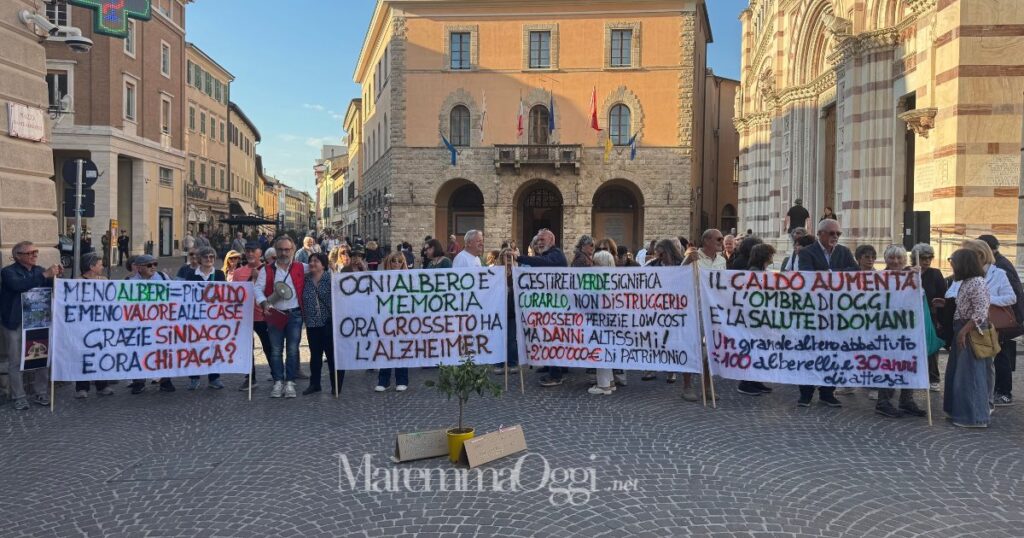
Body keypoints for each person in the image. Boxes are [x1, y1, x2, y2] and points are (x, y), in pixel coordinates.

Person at [795, 219, 856, 408]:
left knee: (833, 352)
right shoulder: (806, 252)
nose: (835, 237)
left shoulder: (844, 252)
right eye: (832, 234)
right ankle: (806, 393)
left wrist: (829, 272)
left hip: (836, 313)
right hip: (813, 312)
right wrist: (837, 275)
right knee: (810, 352)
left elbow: (854, 271)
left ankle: (827, 392)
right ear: (820, 234)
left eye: (838, 234)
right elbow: (807, 276)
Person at [954, 239, 1017, 407]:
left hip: (988, 325)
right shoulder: (966, 274)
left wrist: (985, 299)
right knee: (974, 365)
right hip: (969, 321)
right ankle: (978, 401)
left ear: (979, 256)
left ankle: (987, 401)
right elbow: (952, 291)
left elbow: (1012, 297)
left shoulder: (999, 273)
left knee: (987, 364)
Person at [1, 242, 61, 410]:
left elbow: (51, 289)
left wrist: (56, 277)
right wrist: (45, 275)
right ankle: (18, 396)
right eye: (30, 253)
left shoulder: (38, 270)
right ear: (18, 256)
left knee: (40, 357)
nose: (35, 255)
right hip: (15, 322)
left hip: (37, 321)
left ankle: (41, 392)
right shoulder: (8, 272)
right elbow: (19, 286)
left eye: (36, 252)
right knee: (15, 360)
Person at [872, 245, 927, 418]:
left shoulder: (911, 276)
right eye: (892, 258)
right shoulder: (878, 278)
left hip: (908, 329)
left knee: (909, 363)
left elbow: (921, 297)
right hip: (887, 330)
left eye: (899, 258)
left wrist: (917, 279)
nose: (896, 261)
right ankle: (884, 401)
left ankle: (906, 400)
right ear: (886, 260)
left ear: (905, 260)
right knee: (889, 365)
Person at [943, 248, 993, 428]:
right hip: (963, 327)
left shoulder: (977, 283)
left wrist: (964, 331)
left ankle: (974, 417)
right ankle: (959, 412)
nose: (952, 266)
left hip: (971, 330)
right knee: (958, 373)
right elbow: (966, 305)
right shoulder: (967, 282)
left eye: (953, 262)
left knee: (970, 375)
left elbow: (980, 312)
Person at [255, 236, 307, 399]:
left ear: (293, 250)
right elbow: (257, 289)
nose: (284, 253)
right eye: (281, 249)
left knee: (292, 350)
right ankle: (278, 381)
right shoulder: (267, 269)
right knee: (276, 351)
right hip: (275, 315)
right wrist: (264, 303)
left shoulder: (301, 267)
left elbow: (320, 269)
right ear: (275, 251)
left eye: (287, 249)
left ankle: (290, 382)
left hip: (295, 314)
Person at [516, 229, 569, 387]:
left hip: (556, 306)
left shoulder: (556, 254)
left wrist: (519, 257)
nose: (539, 242)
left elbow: (546, 264)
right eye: (537, 240)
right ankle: (554, 365)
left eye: (542, 239)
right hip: (549, 305)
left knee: (553, 338)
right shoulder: (546, 255)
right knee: (549, 337)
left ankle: (556, 375)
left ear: (552, 240)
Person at [678, 229, 727, 401]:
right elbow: (678, 276)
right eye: (718, 239)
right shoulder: (694, 257)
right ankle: (687, 386)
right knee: (693, 347)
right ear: (706, 241)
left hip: (714, 310)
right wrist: (686, 261)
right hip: (695, 309)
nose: (721, 241)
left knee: (711, 350)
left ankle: (707, 386)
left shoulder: (722, 260)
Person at [978, 235, 1024, 406]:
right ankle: (999, 390)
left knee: (1001, 353)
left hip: (1005, 319)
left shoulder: (1001, 265)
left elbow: (1014, 294)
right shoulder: (996, 262)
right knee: (998, 353)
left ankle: (1004, 393)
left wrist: (1016, 318)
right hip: (999, 318)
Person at [125, 255, 174, 394]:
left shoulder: (163, 277)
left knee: (163, 351)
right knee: (137, 351)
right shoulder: (129, 281)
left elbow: (175, 293)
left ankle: (165, 380)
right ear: (139, 267)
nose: (153, 267)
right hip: (138, 324)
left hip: (161, 323)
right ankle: (139, 382)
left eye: (155, 264)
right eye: (149, 265)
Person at [641, 240, 685, 384]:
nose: (659, 256)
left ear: (669, 251)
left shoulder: (680, 264)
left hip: (674, 309)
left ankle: (671, 371)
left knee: (672, 339)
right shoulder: (652, 265)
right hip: (655, 308)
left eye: (662, 253)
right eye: (657, 253)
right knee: (653, 338)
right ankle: (651, 368)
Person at [735, 244, 776, 396]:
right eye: (770, 254)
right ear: (764, 256)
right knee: (752, 350)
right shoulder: (754, 273)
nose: (772, 257)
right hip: (753, 319)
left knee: (758, 350)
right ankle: (745, 383)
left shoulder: (761, 272)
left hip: (760, 318)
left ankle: (755, 380)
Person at [72, 253, 114, 399]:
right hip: (83, 326)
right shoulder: (77, 282)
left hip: (101, 325)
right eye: (100, 264)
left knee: (101, 355)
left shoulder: (104, 280)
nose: (102, 267)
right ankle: (81, 388)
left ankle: (102, 385)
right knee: (84, 356)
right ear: (91, 266)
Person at [185, 246, 227, 390]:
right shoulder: (191, 275)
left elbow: (226, 295)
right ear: (199, 259)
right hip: (196, 318)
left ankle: (214, 378)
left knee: (214, 348)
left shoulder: (220, 274)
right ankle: (194, 378)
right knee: (195, 348)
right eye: (206, 257)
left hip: (214, 319)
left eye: (211, 257)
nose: (209, 259)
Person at [233, 241, 272, 391]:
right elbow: (234, 295)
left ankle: (276, 375)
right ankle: (250, 377)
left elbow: (272, 292)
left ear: (259, 253)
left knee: (269, 347)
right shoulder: (238, 272)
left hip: (262, 316)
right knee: (247, 348)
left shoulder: (268, 270)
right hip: (245, 317)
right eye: (247, 250)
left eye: (253, 251)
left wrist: (258, 279)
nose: (249, 253)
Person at [302, 252, 341, 396]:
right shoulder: (306, 280)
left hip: (328, 322)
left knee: (331, 355)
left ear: (323, 265)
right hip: (312, 323)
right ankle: (315, 383)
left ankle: (335, 384)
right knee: (315, 356)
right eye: (311, 261)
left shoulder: (331, 279)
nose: (312, 263)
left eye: (316, 261)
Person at [911, 243, 947, 392]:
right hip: (912, 316)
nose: (927, 261)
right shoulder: (909, 272)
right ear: (915, 258)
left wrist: (939, 316)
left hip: (931, 316)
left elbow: (943, 294)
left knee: (931, 347)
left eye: (929, 258)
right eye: (923, 258)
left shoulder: (935, 273)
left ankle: (933, 377)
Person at [588, 250, 624, 395]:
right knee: (607, 350)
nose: (592, 265)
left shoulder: (599, 280)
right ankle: (609, 381)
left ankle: (603, 385)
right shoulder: (614, 278)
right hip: (611, 321)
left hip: (601, 321)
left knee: (600, 350)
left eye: (595, 263)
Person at [375, 253, 411, 392]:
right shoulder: (381, 278)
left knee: (401, 348)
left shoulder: (409, 279)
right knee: (386, 348)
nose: (396, 264)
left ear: (403, 263)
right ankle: (383, 380)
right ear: (388, 263)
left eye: (400, 262)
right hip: (386, 318)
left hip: (403, 318)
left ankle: (402, 380)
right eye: (394, 261)